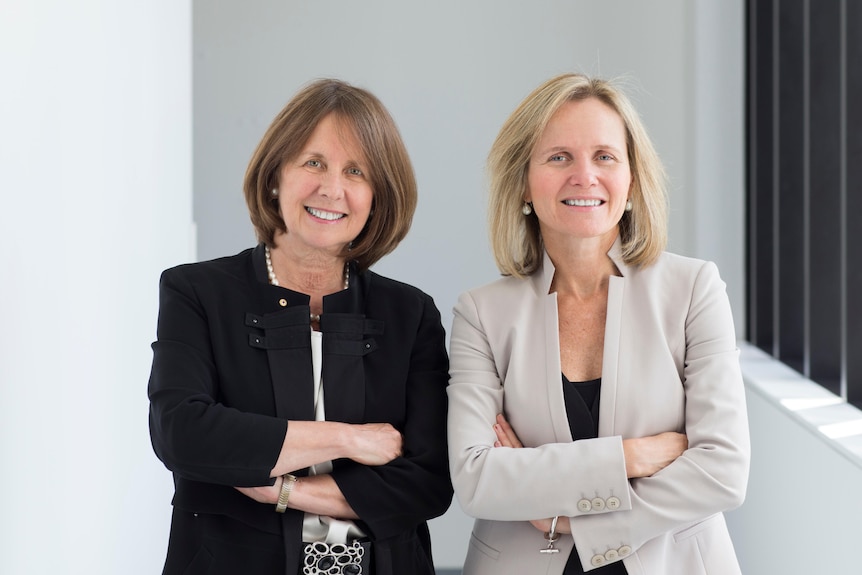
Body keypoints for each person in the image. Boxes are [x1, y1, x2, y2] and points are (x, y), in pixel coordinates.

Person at [447, 73, 750, 574]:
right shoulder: (481, 313)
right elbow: (477, 478)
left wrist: (571, 520)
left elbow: (723, 471)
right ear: (524, 181)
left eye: (605, 156)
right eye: (558, 156)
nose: (584, 176)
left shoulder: (694, 289)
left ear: (631, 180)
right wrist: (630, 458)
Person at [148, 79, 452, 575]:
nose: (332, 189)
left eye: (356, 171)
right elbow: (182, 433)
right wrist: (348, 440)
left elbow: (427, 480)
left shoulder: (410, 314)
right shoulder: (197, 293)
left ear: (377, 196)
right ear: (275, 176)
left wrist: (286, 490)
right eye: (314, 163)